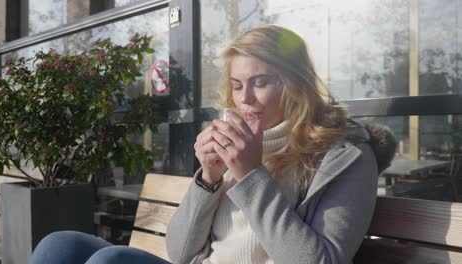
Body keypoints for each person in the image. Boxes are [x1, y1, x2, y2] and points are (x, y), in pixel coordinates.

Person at [29, 25, 396, 264]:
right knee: (60, 245)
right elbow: (180, 252)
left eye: (261, 82)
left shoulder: (344, 155)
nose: (245, 99)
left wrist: (251, 175)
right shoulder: (233, 144)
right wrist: (207, 179)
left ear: (296, 83)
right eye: (237, 85)